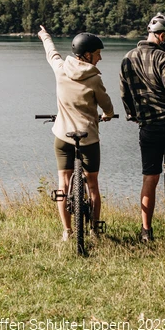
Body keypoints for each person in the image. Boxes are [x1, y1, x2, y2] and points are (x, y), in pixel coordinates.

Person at [38, 25, 114, 241]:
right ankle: (94, 231)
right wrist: (108, 114)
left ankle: (67, 232)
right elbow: (106, 104)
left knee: (63, 182)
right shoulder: (94, 79)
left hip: (63, 136)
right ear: (88, 55)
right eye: (98, 54)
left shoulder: (61, 69)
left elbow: (51, 53)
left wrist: (45, 35)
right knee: (92, 185)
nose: (100, 59)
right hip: (88, 138)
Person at [119, 13, 165, 242]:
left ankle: (146, 231)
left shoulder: (127, 59)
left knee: (150, 177)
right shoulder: (164, 59)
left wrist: (134, 116)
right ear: (162, 36)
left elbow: (125, 95)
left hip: (148, 127)